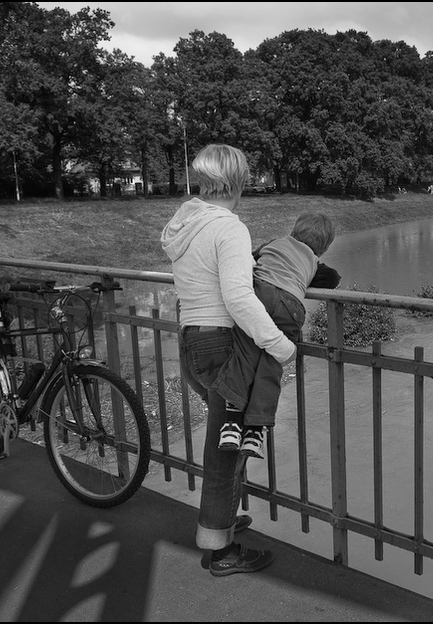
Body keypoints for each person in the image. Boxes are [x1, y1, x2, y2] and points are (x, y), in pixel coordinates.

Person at [160, 143, 295, 576]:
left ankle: (222, 521)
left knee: (228, 437)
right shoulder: (228, 228)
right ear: (240, 180)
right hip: (222, 347)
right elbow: (238, 296)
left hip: (192, 342)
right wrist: (279, 344)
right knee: (225, 448)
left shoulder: (186, 223)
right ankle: (221, 551)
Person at [211, 213, 340, 459]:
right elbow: (332, 279)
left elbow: (249, 259)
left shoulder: (275, 243)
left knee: (244, 354)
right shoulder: (313, 261)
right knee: (271, 364)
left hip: (259, 295)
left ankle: (231, 426)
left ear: (293, 232)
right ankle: (255, 432)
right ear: (323, 248)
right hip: (290, 305)